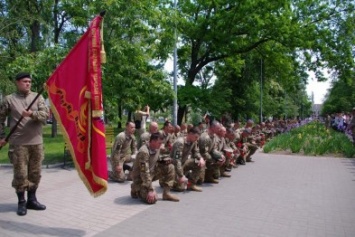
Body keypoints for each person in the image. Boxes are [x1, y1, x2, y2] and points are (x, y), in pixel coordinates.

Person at [0, 72, 49, 216]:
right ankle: (21, 202)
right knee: (20, 174)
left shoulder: (38, 97)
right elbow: (0, 118)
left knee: (35, 173)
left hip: (37, 143)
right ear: (17, 83)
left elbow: (45, 115)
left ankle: (32, 200)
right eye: (24, 81)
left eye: (29, 81)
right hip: (18, 144)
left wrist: (31, 115)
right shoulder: (9, 99)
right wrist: (1, 136)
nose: (27, 83)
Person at [130, 132, 179, 204]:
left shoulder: (156, 147)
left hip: (151, 173)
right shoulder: (144, 152)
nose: (161, 145)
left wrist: (165, 160)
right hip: (141, 178)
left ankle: (166, 194)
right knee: (152, 199)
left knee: (170, 167)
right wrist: (151, 190)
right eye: (159, 143)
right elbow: (144, 172)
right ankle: (135, 188)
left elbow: (156, 158)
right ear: (152, 141)